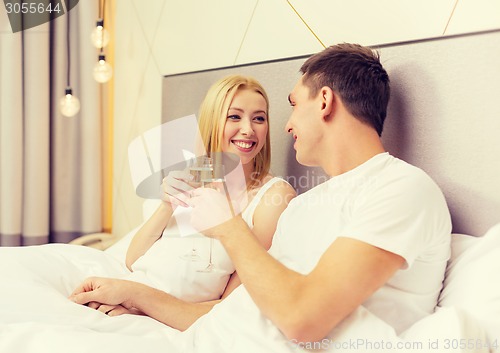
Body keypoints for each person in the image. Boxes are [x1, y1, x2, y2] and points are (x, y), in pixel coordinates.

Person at [70, 43, 451, 346]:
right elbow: (230, 314)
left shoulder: (401, 188)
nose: (286, 126)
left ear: (324, 101)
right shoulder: (304, 207)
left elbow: (302, 319)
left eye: (291, 105)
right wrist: (135, 298)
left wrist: (228, 228)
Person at [72, 74, 296, 326]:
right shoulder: (194, 180)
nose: (248, 129)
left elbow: (230, 306)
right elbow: (133, 260)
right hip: (128, 300)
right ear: (212, 122)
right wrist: (166, 206)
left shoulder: (273, 198)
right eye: (235, 116)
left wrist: (139, 303)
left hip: (160, 316)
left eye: (259, 118)